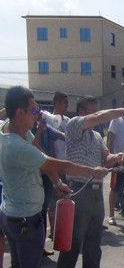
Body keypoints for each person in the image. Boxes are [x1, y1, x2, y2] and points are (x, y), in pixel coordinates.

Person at [0, 86, 108, 268]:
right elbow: (58, 163)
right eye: (33, 110)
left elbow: (43, 160)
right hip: (26, 219)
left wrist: (57, 182)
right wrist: (91, 171)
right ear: (19, 112)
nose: (37, 114)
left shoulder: (10, 132)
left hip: (12, 214)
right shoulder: (17, 146)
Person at [53, 96, 124, 268]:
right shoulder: (73, 126)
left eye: (95, 111)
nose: (96, 117)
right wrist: (123, 111)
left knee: (93, 244)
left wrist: (115, 157)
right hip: (78, 191)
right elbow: (99, 117)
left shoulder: (97, 136)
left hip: (96, 193)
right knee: (72, 245)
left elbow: (104, 159)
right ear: (81, 112)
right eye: (92, 112)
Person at [32, 109, 66, 256]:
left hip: (46, 173)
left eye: (39, 111)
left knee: (44, 209)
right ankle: (34, 248)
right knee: (36, 212)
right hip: (34, 175)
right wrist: (39, 131)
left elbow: (60, 135)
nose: (38, 114)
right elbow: (35, 146)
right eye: (34, 111)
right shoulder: (26, 130)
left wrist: (75, 136)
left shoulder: (45, 125)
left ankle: (41, 247)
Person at [42, 92, 70, 241]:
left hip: (64, 165)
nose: (67, 106)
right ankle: (53, 231)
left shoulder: (68, 121)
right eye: (64, 103)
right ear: (56, 103)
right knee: (53, 201)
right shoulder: (46, 119)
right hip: (52, 165)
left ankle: (64, 228)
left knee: (65, 197)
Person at [106, 97, 124, 225]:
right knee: (115, 188)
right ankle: (112, 215)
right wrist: (111, 157)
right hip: (118, 160)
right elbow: (110, 138)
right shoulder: (117, 119)